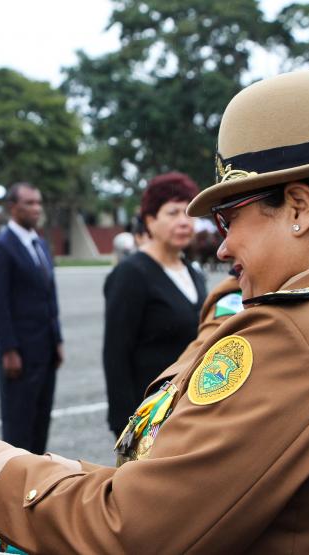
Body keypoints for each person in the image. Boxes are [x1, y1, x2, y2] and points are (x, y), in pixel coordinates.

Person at [0, 70, 309, 553]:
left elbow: (136, 532)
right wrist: (69, 474)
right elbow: (209, 494)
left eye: (231, 217)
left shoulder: (295, 338)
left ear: (298, 208)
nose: (223, 248)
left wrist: (4, 476)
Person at [102, 172, 207, 437]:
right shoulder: (131, 274)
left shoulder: (193, 272)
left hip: (189, 412)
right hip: (149, 417)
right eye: (173, 213)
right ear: (150, 220)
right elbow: (115, 354)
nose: (184, 222)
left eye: (188, 213)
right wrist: (126, 426)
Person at [0, 183, 62, 455]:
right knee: (18, 429)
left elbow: (50, 295)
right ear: (12, 208)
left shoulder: (39, 243)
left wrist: (58, 339)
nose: (36, 208)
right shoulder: (1, 247)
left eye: (38, 202)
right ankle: (13, 491)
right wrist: (9, 349)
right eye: (29, 203)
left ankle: (37, 490)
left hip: (45, 349)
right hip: (20, 355)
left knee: (41, 425)